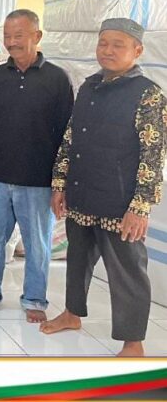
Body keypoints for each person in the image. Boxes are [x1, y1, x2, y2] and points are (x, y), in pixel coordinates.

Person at [41, 18, 166, 357]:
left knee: (127, 272)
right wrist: (59, 184)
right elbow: (70, 138)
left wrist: (140, 207)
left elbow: (154, 155)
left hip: (119, 201)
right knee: (77, 260)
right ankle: (71, 314)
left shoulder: (148, 95)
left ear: (137, 50)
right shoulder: (89, 86)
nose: (108, 50)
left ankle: (133, 342)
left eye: (118, 45)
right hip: (82, 192)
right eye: (103, 43)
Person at [0, 9, 73, 321]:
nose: (11, 42)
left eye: (18, 35)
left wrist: (61, 183)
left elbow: (67, 135)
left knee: (37, 246)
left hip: (38, 180)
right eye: (7, 36)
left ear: (37, 36)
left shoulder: (57, 79)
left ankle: (34, 300)